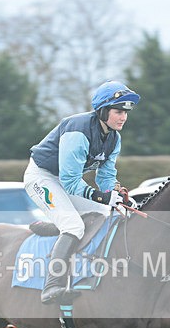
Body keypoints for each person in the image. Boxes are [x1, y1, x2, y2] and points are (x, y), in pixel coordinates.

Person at [24, 80, 140, 304]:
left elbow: (105, 178)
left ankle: (59, 229)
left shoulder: (114, 138)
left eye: (126, 112)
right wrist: (101, 197)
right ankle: (52, 285)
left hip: (65, 181)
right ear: (103, 111)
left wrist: (116, 197)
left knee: (105, 215)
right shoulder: (78, 131)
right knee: (74, 226)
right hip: (43, 178)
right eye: (118, 111)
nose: (123, 117)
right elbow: (70, 182)